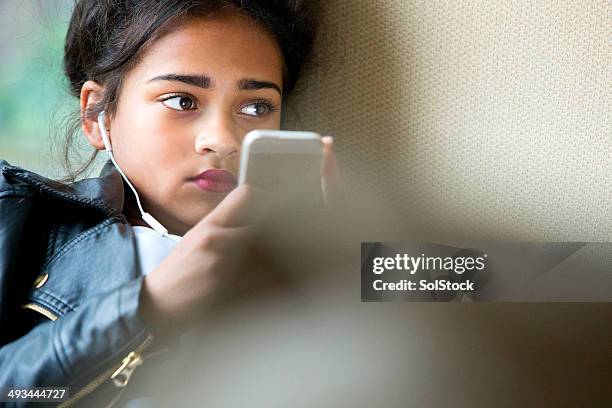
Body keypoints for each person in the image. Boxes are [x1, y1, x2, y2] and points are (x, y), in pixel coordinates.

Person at [0, 0, 340, 406]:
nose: (223, 140)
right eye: (182, 101)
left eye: (255, 107)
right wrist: (148, 304)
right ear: (97, 115)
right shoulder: (18, 213)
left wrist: (334, 273)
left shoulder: (321, 257)